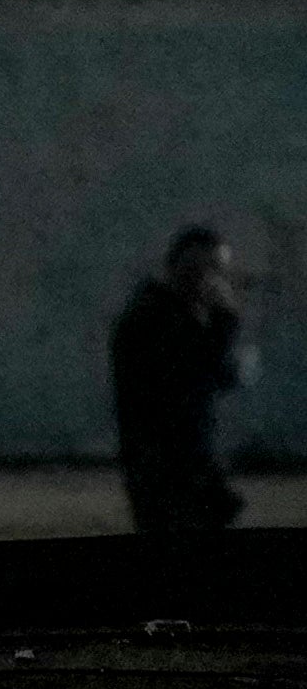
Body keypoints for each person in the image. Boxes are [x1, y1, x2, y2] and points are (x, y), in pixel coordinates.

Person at [114, 226, 246, 534]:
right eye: (198, 269)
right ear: (176, 269)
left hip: (189, 460)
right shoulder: (151, 318)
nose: (208, 280)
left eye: (216, 271)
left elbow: (212, 376)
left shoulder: (185, 318)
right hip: (163, 464)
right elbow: (186, 374)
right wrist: (225, 325)